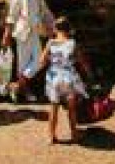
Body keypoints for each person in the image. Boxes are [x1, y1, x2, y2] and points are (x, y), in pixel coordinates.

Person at [2, 0, 52, 102]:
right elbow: (12, 16)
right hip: (23, 32)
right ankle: (24, 90)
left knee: (39, 62)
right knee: (23, 64)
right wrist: (6, 36)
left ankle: (17, 86)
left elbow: (42, 8)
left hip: (36, 31)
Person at [37, 17, 89, 145]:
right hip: (68, 77)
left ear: (55, 29)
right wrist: (89, 73)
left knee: (54, 107)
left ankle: (51, 136)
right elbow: (82, 62)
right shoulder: (72, 43)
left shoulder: (50, 43)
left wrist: (52, 60)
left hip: (54, 77)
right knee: (71, 108)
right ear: (69, 29)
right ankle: (74, 134)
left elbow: (41, 61)